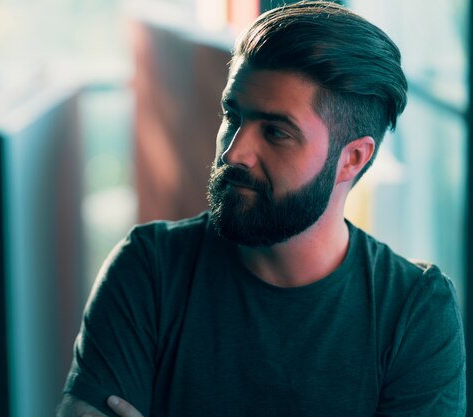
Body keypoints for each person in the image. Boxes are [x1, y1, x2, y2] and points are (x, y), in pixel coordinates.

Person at [57, 1, 466, 416]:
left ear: (352, 159)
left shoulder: (414, 312)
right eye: (232, 117)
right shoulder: (150, 267)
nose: (234, 153)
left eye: (275, 132)